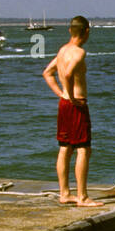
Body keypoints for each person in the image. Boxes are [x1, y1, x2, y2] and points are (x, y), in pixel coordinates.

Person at [42, 16, 100, 206]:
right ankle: (82, 197)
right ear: (87, 32)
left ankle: (64, 193)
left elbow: (47, 73)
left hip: (64, 104)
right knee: (83, 149)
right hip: (76, 104)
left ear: (70, 31)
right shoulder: (79, 52)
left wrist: (61, 93)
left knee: (65, 148)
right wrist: (73, 97)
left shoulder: (62, 51)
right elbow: (67, 74)